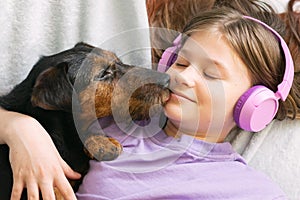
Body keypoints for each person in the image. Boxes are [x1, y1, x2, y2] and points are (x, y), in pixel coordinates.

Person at [0, 0, 299, 200]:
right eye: (180, 63)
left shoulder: (246, 189)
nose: (181, 77)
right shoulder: (112, 121)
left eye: (210, 73)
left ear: (253, 104)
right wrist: (20, 129)